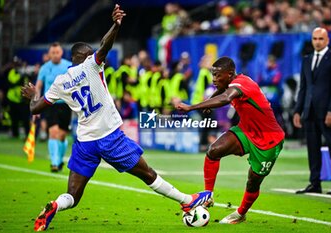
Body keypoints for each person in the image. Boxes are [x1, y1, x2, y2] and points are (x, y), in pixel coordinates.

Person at [21, 5, 211, 231]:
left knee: (73, 194)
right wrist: (116, 25)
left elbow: (36, 108)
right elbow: (105, 45)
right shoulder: (91, 66)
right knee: (148, 174)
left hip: (85, 142)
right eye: (91, 53)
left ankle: (55, 205)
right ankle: (187, 201)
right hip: (109, 137)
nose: (95, 55)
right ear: (85, 56)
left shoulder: (61, 82)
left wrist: (34, 96)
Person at [175, 56, 285, 224]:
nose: (214, 79)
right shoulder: (232, 83)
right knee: (214, 151)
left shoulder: (243, 84)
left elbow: (226, 97)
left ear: (230, 74)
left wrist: (192, 107)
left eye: (218, 75)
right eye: (213, 75)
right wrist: (209, 102)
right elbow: (222, 91)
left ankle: (241, 213)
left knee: (252, 182)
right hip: (246, 131)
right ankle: (207, 195)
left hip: (268, 139)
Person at [293, 27, 331, 195]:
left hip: (326, 113)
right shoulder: (306, 60)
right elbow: (303, 88)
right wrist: (297, 111)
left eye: (320, 39)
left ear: (327, 40)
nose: (317, 42)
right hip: (309, 112)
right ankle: (315, 183)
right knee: (312, 149)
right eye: (315, 38)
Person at [35, 42, 72, 172]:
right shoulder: (45, 68)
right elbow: (38, 87)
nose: (55, 55)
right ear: (49, 54)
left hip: (66, 104)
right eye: (53, 53)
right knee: (53, 132)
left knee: (62, 135)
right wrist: (36, 105)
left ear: (61, 53)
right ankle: (54, 163)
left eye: (57, 52)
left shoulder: (68, 66)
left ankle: (60, 160)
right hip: (50, 104)